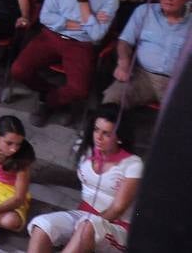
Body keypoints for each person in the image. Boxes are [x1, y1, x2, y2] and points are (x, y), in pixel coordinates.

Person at [9, 0, 119, 126]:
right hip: (50, 36)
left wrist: (83, 0)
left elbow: (97, 34)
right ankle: (53, 94)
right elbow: (45, 17)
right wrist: (85, 22)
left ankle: (49, 102)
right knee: (18, 70)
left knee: (79, 90)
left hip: (80, 43)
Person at [26, 104, 141, 253]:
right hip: (84, 217)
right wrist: (82, 224)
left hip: (116, 226)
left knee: (87, 226)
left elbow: (118, 208)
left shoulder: (133, 164)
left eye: (106, 134)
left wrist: (84, 226)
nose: (98, 137)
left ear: (119, 137)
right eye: (96, 129)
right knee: (42, 226)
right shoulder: (84, 149)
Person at [102, 0, 190, 108]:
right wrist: (123, 62)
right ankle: (102, 128)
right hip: (143, 75)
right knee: (112, 98)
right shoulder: (144, 11)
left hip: (177, 83)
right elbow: (125, 41)